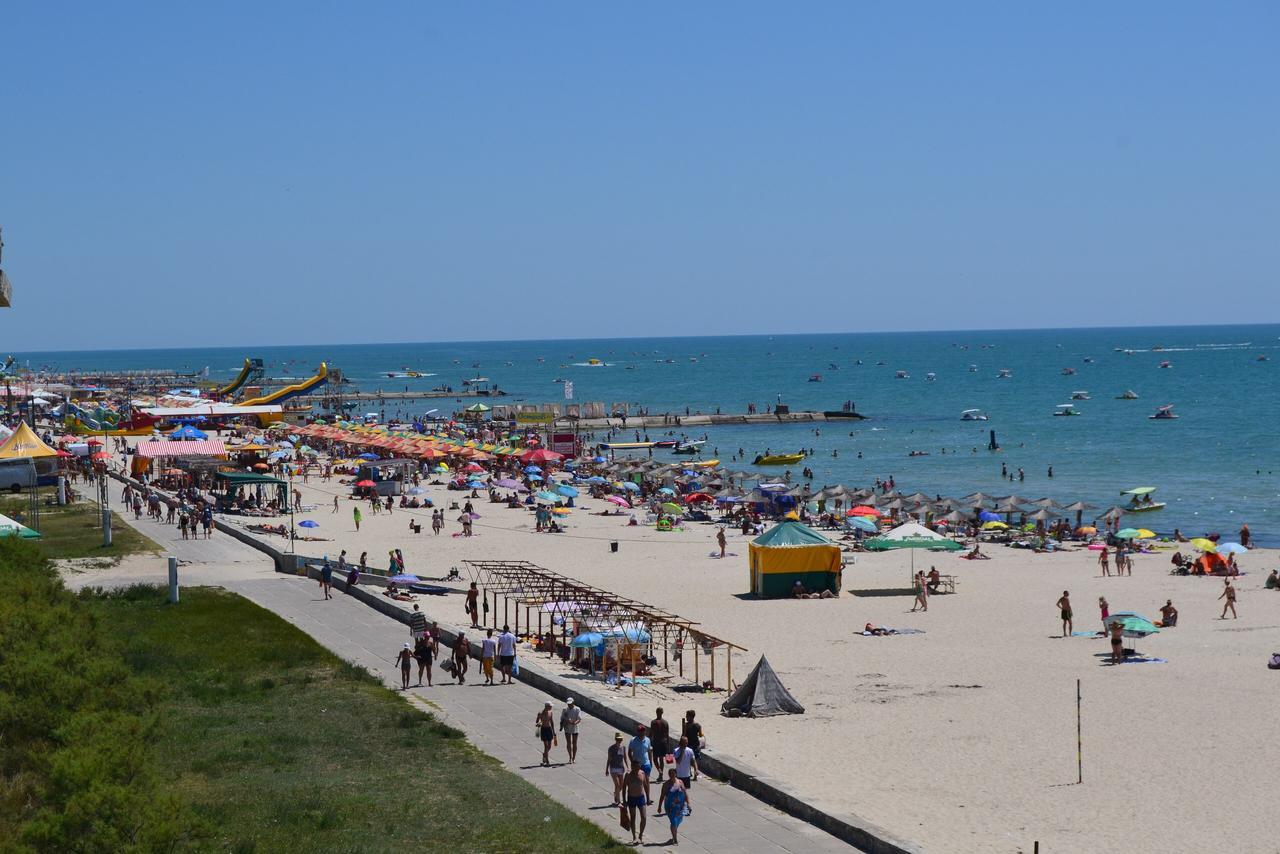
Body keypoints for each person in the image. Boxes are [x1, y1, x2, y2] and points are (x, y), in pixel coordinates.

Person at [671, 734, 698, 812]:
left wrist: (696, 769)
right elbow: (678, 761)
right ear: (680, 742)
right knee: (679, 792)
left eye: (686, 742)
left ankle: (685, 806)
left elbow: (693, 761)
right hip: (679, 775)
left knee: (684, 791)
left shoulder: (690, 750)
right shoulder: (676, 751)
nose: (685, 744)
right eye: (684, 742)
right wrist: (682, 751)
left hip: (686, 775)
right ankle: (683, 805)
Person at [658, 770, 687, 844]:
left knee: (678, 821)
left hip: (679, 806)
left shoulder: (680, 782)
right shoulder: (666, 784)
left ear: (676, 774)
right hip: (670, 807)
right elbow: (662, 796)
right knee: (673, 821)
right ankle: (675, 839)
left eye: (673, 774)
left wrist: (688, 803)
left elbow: (685, 793)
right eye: (670, 774)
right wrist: (659, 806)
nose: (671, 775)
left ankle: (674, 834)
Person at [628, 725, 655, 805]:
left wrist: (650, 761)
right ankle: (637, 796)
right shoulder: (633, 740)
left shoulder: (647, 740)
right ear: (637, 732)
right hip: (636, 765)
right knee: (638, 781)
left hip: (646, 763)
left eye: (643, 731)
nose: (642, 732)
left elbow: (649, 751)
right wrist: (632, 762)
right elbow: (629, 752)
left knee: (646, 780)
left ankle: (648, 798)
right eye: (640, 731)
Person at [622, 764, 649, 843]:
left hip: (641, 798)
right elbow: (624, 787)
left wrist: (648, 797)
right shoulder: (628, 775)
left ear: (639, 766)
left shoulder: (642, 773)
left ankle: (640, 835)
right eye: (633, 766)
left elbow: (645, 785)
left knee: (644, 817)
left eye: (636, 767)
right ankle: (634, 836)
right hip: (631, 798)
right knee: (633, 818)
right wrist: (624, 800)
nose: (634, 768)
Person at [606, 732, 629, 806]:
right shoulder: (611, 748)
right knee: (617, 784)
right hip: (613, 768)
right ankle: (619, 801)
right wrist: (606, 769)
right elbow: (609, 759)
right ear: (615, 739)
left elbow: (625, 758)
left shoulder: (623, 747)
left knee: (621, 786)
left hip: (620, 768)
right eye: (618, 739)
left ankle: (616, 793)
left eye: (620, 739)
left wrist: (628, 766)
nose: (619, 741)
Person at [649, 708, 671, 778]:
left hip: (656, 742)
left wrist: (648, 742)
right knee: (661, 759)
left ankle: (659, 771)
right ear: (662, 712)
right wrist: (668, 745)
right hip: (663, 742)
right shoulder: (665, 722)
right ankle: (660, 774)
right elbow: (667, 735)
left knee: (655, 759)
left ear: (656, 712)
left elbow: (651, 733)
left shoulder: (653, 722)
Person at [559, 697, 581, 764]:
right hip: (567, 728)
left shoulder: (577, 709)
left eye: (570, 704)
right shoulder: (565, 709)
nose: (569, 705)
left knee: (574, 743)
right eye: (568, 704)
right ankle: (570, 757)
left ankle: (574, 758)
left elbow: (579, 719)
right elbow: (562, 719)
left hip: (575, 728)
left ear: (573, 703)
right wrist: (565, 722)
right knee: (568, 743)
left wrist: (574, 723)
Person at [535, 702, 557, 767]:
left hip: (549, 729)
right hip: (543, 730)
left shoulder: (550, 712)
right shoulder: (540, 713)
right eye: (550, 706)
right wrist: (539, 722)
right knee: (546, 746)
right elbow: (537, 721)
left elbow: (552, 722)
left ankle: (544, 754)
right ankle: (547, 761)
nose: (551, 707)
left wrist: (553, 731)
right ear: (546, 706)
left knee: (549, 746)